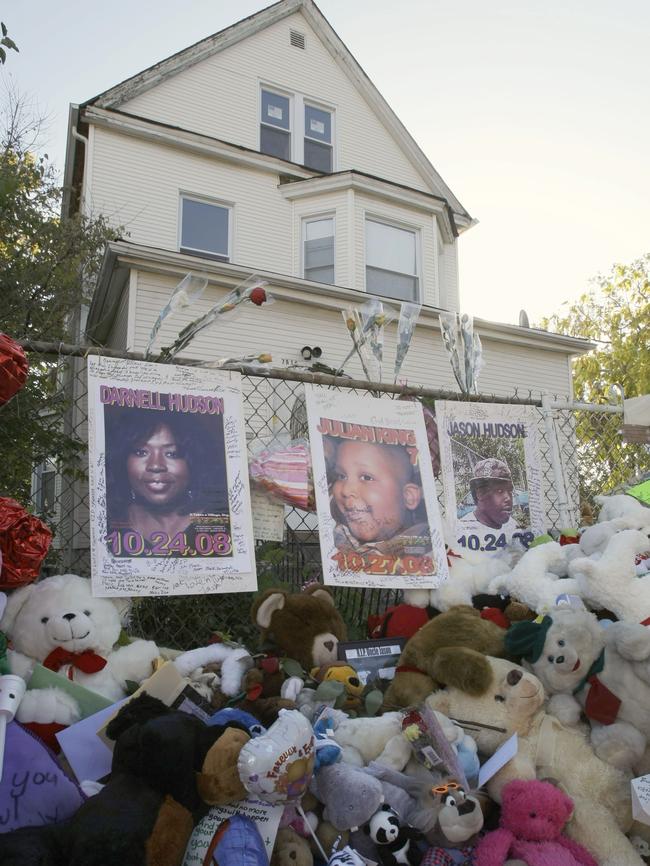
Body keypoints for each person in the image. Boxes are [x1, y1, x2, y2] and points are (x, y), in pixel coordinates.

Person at [104, 406, 229, 554]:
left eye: (172, 454)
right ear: (122, 460)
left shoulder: (220, 524)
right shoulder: (108, 524)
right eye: (141, 452)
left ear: (193, 462)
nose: (156, 465)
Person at [326, 438, 432, 564]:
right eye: (341, 476)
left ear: (408, 497)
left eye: (366, 477)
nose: (346, 490)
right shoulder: (335, 533)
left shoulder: (430, 552)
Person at [459, 458, 519, 531]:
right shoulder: (462, 529)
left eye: (510, 491)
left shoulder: (513, 527)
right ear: (480, 493)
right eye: (500, 491)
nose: (508, 498)